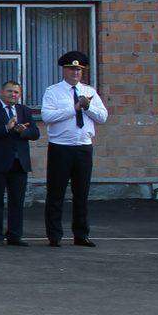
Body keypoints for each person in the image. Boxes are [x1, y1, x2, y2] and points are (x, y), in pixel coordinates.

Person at [41, 51, 108, 248]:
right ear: (64, 70)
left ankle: (81, 234)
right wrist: (75, 107)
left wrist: (88, 107)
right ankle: (54, 235)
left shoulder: (90, 91)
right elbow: (47, 117)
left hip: (83, 148)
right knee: (56, 193)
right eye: (71, 69)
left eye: (78, 69)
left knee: (82, 193)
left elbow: (103, 117)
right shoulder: (53, 91)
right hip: (61, 148)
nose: (75, 72)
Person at [0, 80, 40, 247]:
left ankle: (15, 235)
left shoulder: (24, 111)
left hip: (19, 163)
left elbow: (35, 133)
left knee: (17, 201)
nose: (13, 94)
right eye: (10, 91)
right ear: (1, 92)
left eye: (16, 92)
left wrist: (24, 131)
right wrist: (6, 128)